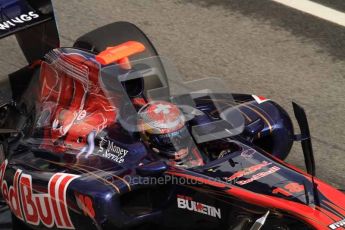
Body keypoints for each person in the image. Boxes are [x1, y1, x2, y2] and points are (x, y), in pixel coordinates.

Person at [138, 101, 205, 168]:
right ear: (147, 137)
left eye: (182, 134)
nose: (177, 142)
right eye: (167, 139)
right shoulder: (142, 162)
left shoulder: (199, 150)